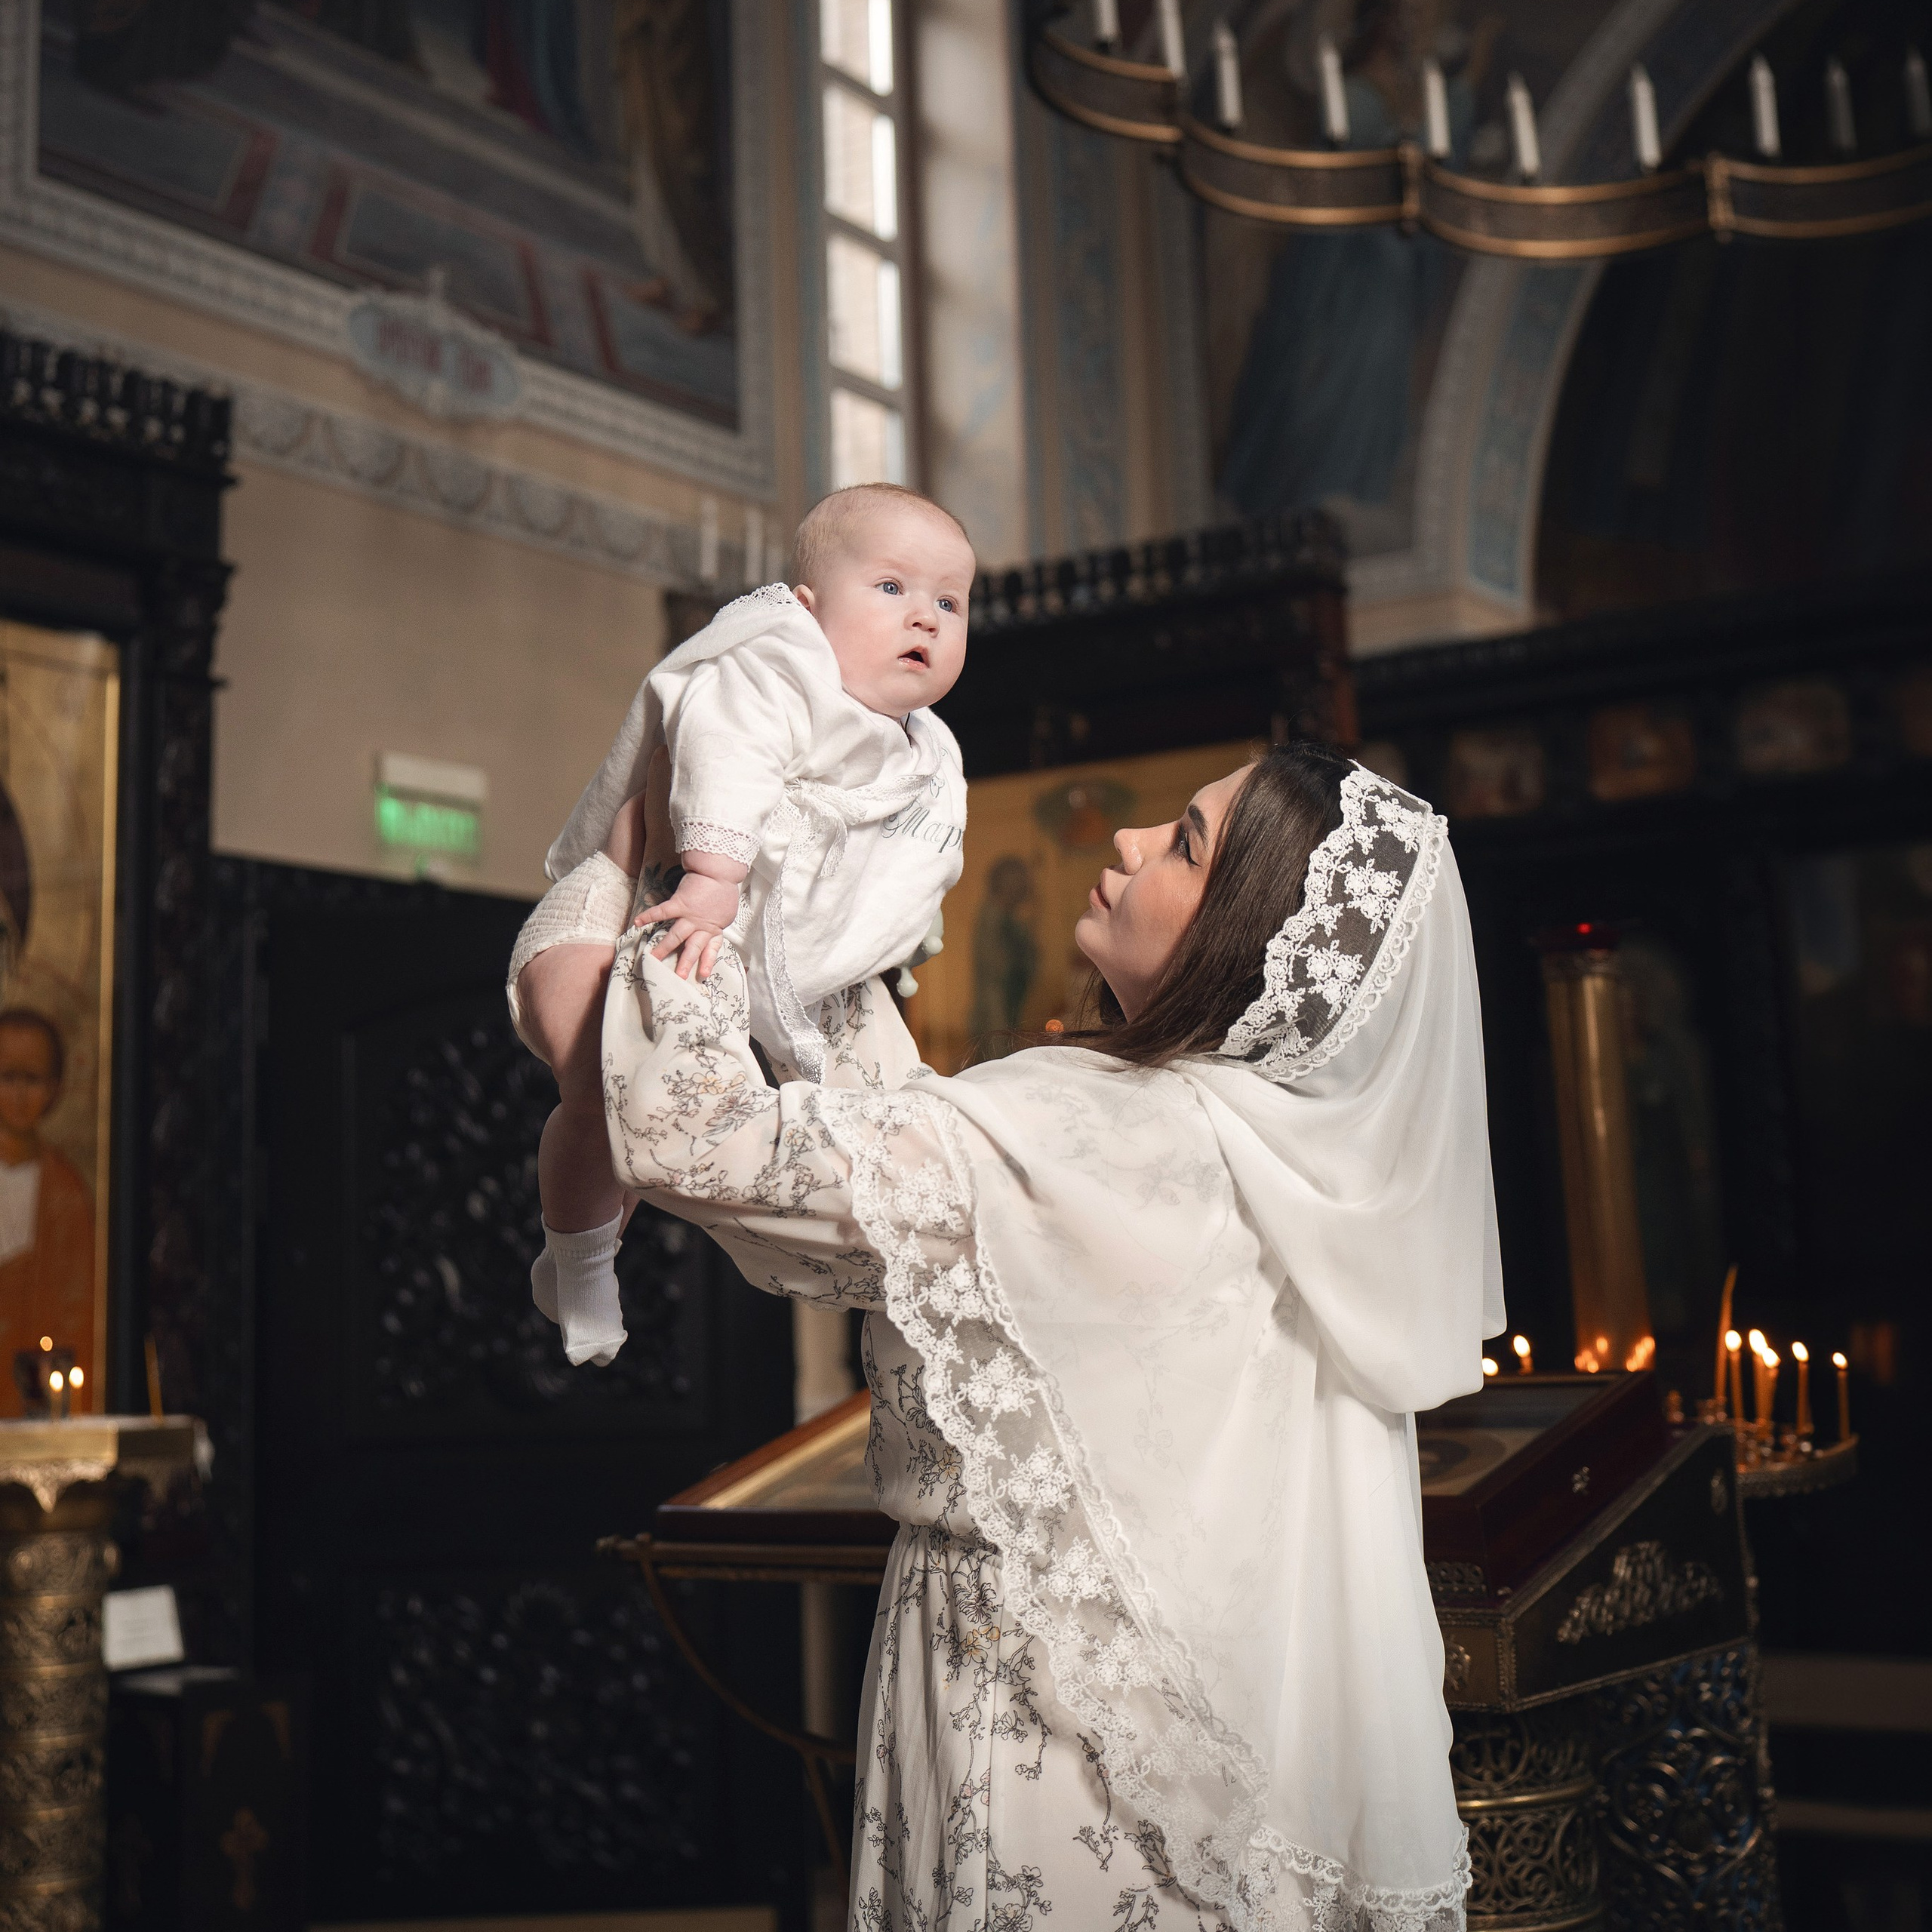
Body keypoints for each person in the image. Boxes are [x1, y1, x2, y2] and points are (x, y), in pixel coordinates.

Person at [566, 740, 1503, 1926]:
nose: (1129, 840)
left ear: (1255, 938)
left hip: (1030, 1721)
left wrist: (664, 894)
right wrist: (820, 939)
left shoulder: (1098, 1130)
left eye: (1186, 844)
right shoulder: (1269, 1163)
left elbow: (697, 1138)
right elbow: (915, 1145)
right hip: (1203, 1755)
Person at [507, 483, 974, 1368]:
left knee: (875, 1106)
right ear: (807, 607)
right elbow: (728, 748)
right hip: (639, 902)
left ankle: (893, 1244)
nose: (924, 617)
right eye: (891, 589)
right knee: (596, 1085)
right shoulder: (772, 665)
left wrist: (902, 933)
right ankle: (580, 1260)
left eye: (948, 602)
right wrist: (716, 872)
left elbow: (922, 855)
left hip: (769, 953)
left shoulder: (929, 751)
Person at [0, 1009, 97, 1414]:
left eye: (33, 1078)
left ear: (55, 1087)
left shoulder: (66, 1190)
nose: (21, 1095)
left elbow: (76, 1309)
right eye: (8, 1077)